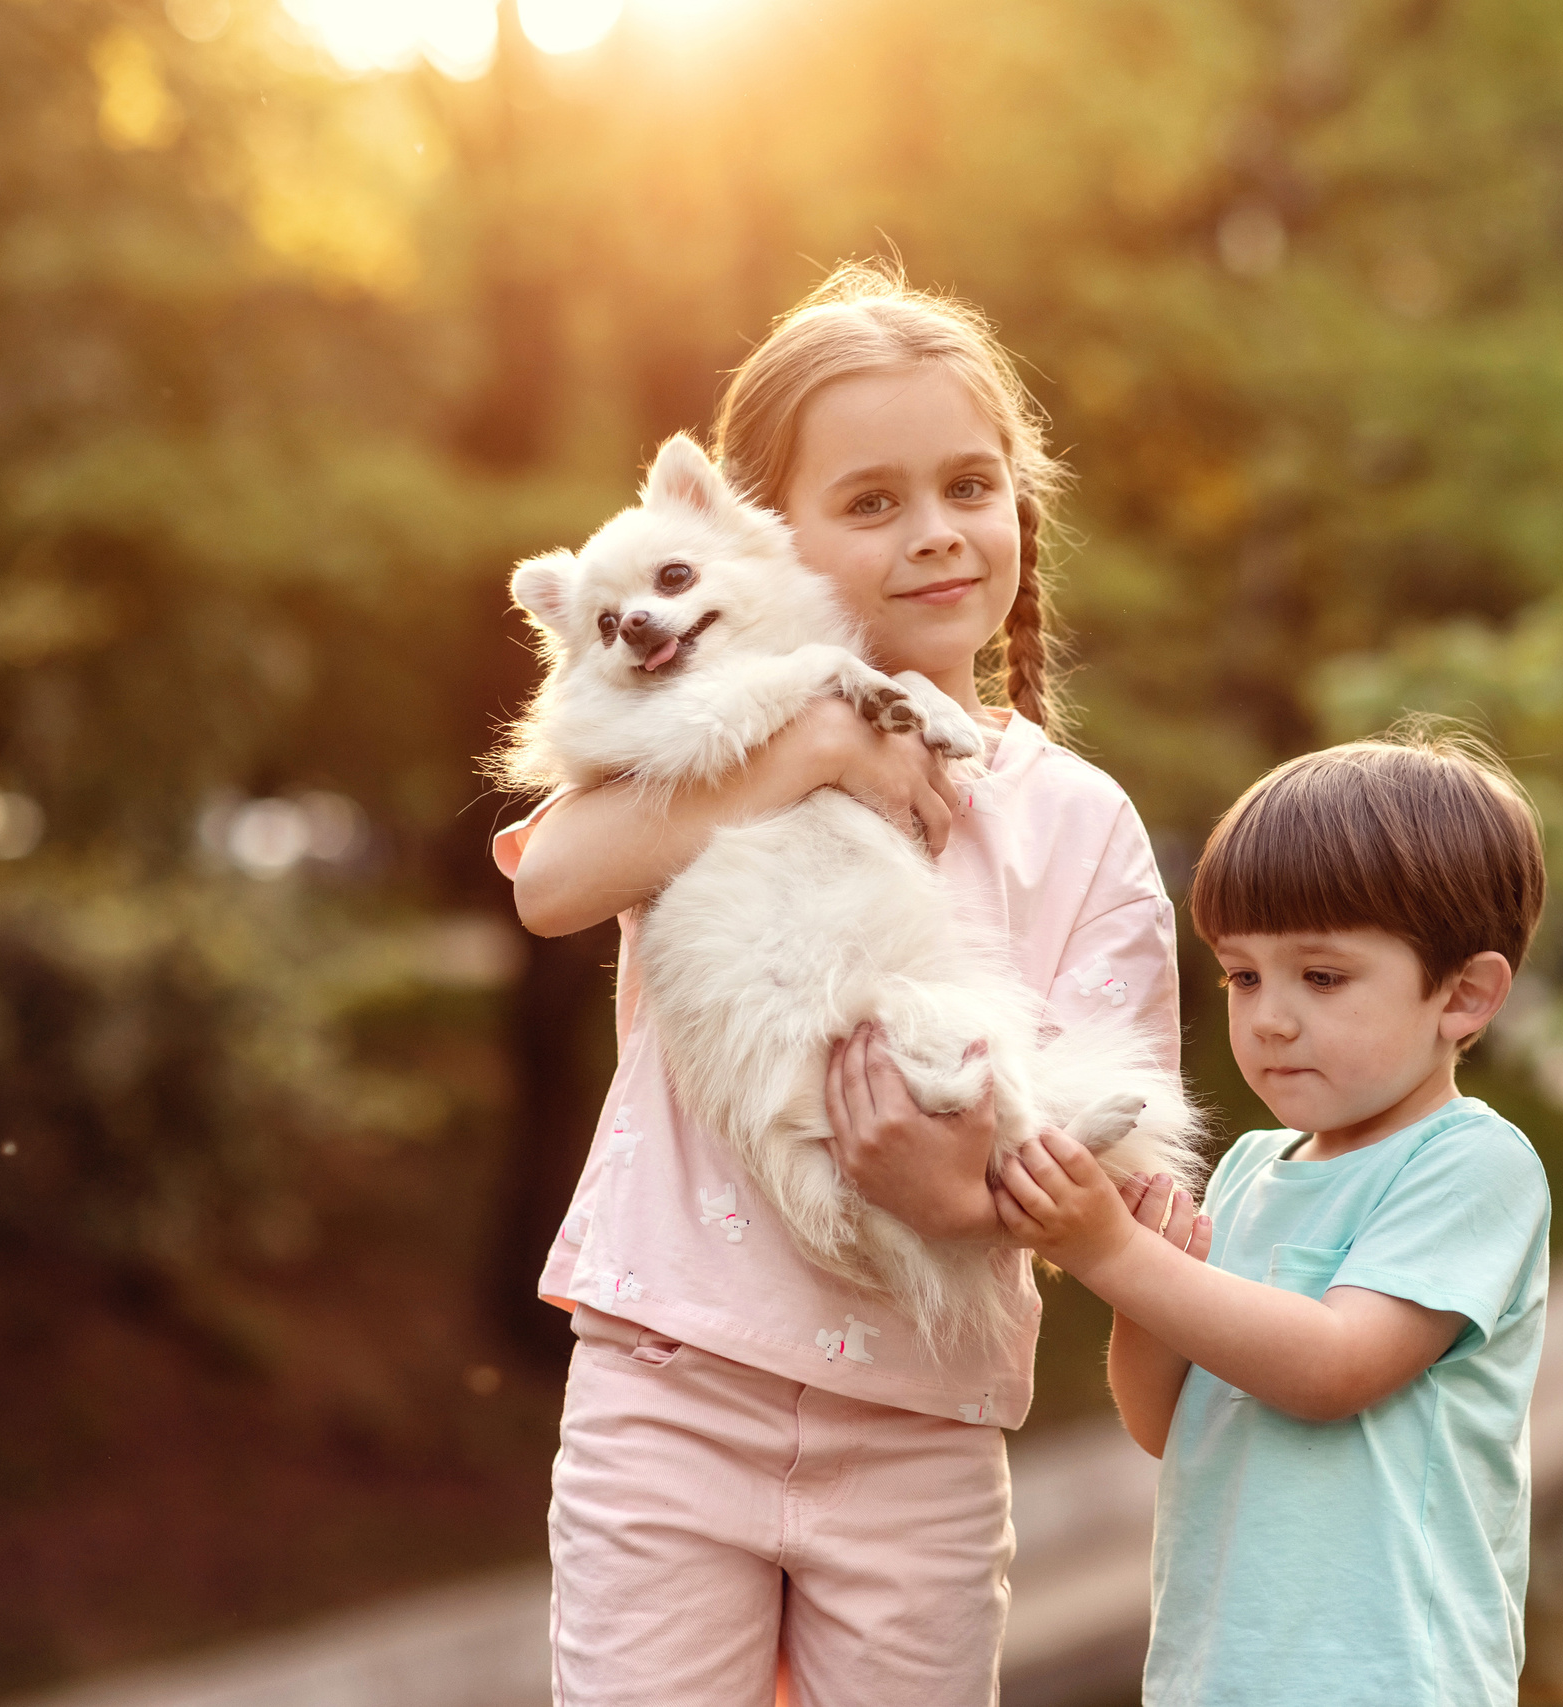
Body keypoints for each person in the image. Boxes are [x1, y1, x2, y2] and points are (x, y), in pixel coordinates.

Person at [495, 262, 1181, 1705]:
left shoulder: (1080, 824)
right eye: (871, 502)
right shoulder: (695, 742)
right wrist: (810, 745)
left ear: (1019, 504)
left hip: (921, 1422)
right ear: (768, 533)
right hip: (669, 1392)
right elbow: (549, 883)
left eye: (969, 487)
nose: (933, 532)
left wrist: (961, 1197)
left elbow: (1112, 1159)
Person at [995, 732, 1552, 1707]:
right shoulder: (1251, 1170)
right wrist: (1144, 1280)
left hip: (1389, 1679)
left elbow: (1334, 1368)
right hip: (1219, 1674)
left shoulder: (1470, 1163)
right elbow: (1165, 1423)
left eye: (1321, 977)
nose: (1269, 1019)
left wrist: (1115, 1254)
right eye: (1243, 976)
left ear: (1464, 995)